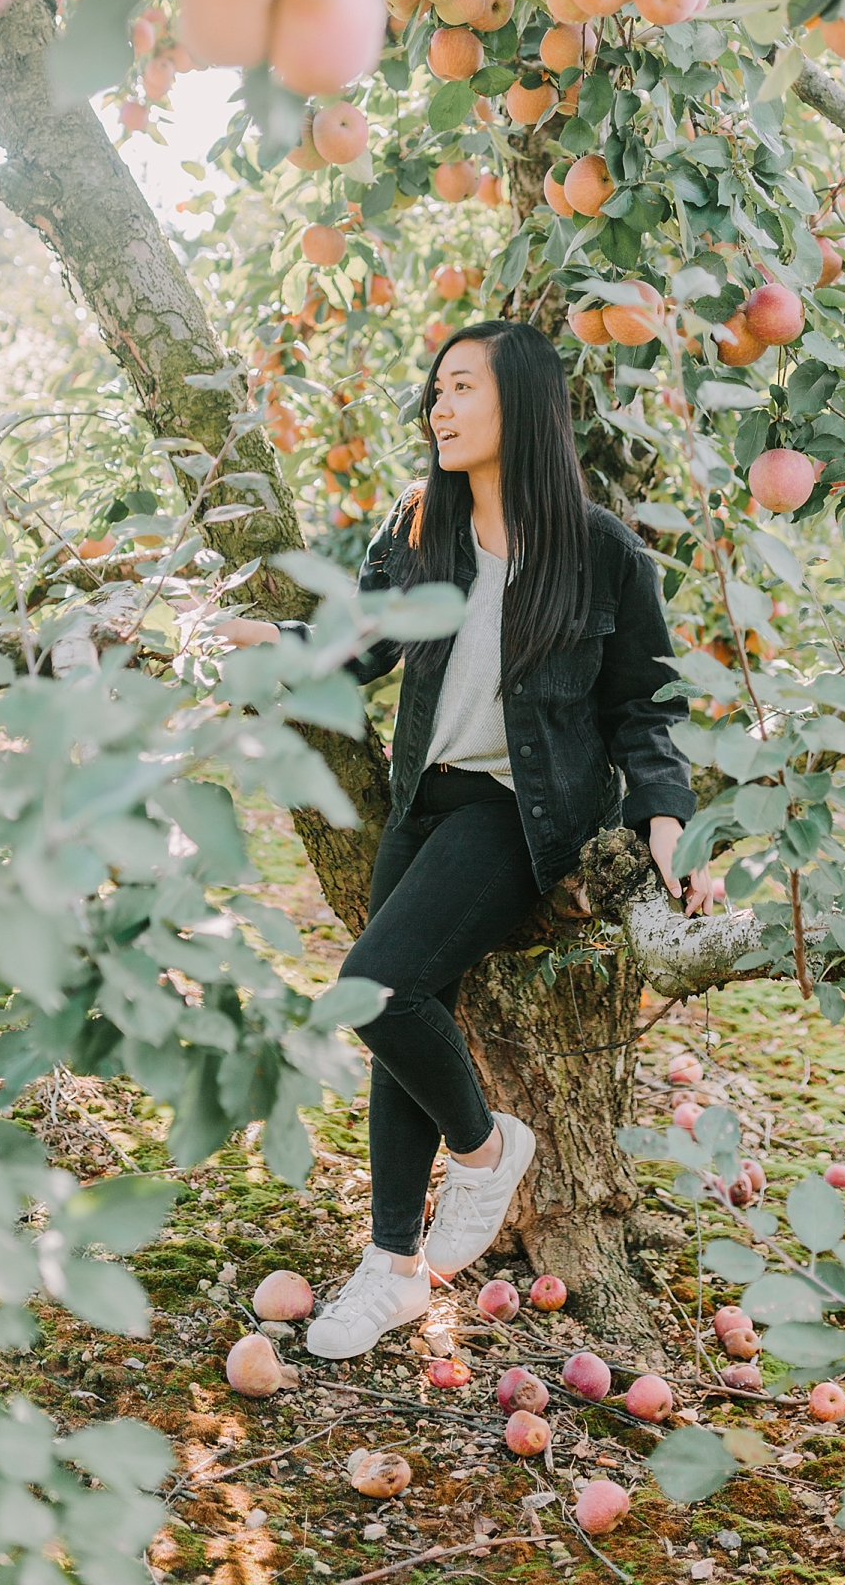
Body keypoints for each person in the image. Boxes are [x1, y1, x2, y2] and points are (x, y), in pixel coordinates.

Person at [297, 318, 706, 1360]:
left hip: (516, 817)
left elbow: (644, 712)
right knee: (404, 1012)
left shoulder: (603, 552)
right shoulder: (423, 525)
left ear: (519, 404)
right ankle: (391, 1270)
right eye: (434, 389)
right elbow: (360, 651)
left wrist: (667, 820)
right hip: (421, 801)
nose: (438, 406)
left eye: (462, 387)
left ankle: (486, 1155)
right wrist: (255, 642)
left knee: (374, 990)